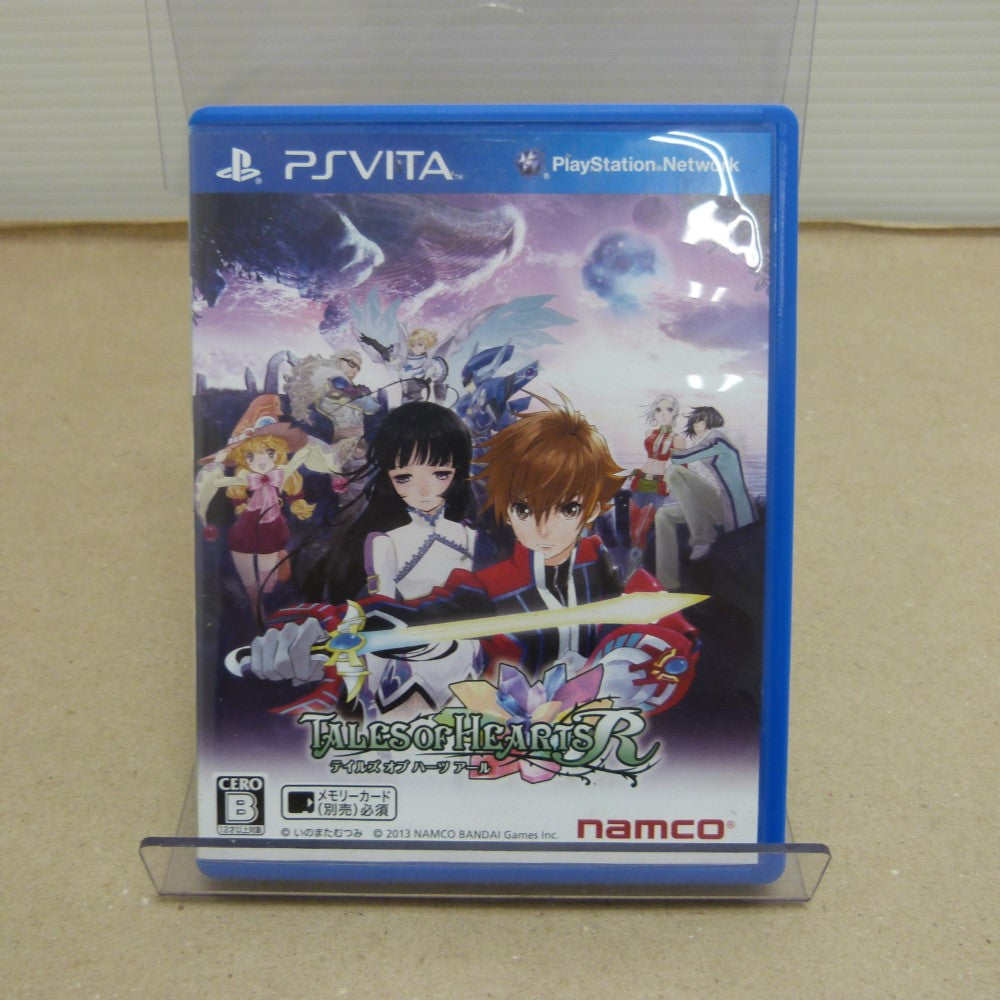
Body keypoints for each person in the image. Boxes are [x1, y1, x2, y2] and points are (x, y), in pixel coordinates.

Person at [249, 393, 701, 716]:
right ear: (505, 506)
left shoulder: (612, 568)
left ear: (594, 507)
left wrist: (624, 666)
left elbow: (674, 636)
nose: (543, 528)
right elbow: (412, 616)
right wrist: (326, 636)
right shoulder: (489, 584)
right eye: (524, 509)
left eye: (567, 508)